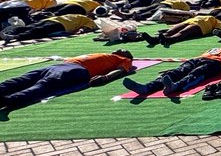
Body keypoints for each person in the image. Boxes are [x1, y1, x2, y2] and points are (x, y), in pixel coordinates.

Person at [0, 50, 135, 110]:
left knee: (44, 84)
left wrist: (106, 77)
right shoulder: (107, 54)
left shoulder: (124, 60)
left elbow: (121, 70)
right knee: (24, 78)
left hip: (77, 70)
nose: (119, 49)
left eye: (123, 50)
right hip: (60, 65)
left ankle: (10, 100)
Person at [122, 46, 221, 96]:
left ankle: (175, 86)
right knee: (175, 72)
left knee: (195, 74)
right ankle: (146, 88)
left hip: (216, 64)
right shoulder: (219, 48)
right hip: (197, 59)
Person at [2, 14, 97, 43]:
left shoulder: (86, 19)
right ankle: (13, 35)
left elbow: (84, 29)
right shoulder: (87, 19)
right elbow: (84, 29)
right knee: (35, 29)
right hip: (59, 23)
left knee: (33, 29)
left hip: (56, 22)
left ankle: (13, 35)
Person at [143, 15, 221, 47]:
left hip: (200, 26)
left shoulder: (218, 21)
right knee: (170, 31)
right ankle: (154, 40)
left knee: (182, 33)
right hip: (188, 22)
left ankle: (169, 39)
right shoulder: (199, 15)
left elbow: (218, 29)